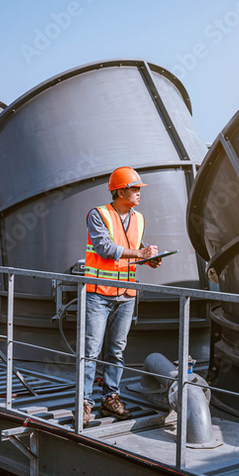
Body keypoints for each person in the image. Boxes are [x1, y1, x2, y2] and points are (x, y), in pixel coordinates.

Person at [81, 166, 161, 424]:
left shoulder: (139, 219)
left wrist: (150, 259)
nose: (139, 193)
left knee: (116, 351)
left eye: (139, 189)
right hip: (99, 293)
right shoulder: (98, 215)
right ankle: (84, 402)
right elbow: (105, 248)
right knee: (90, 351)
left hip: (126, 294)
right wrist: (140, 254)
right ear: (119, 191)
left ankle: (109, 399)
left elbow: (133, 249)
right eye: (134, 188)